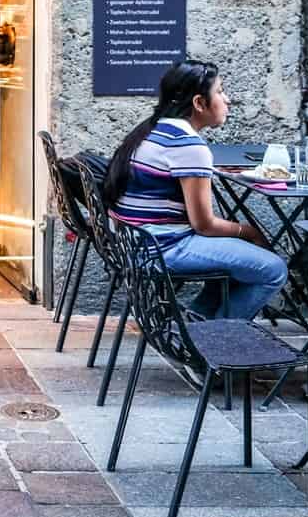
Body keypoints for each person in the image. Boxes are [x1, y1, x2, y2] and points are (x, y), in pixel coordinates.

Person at [103, 59, 287, 321]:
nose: (228, 100)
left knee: (239, 259)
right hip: (161, 247)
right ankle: (217, 342)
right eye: (221, 91)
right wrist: (249, 232)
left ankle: (198, 324)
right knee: (274, 269)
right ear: (199, 103)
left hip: (135, 241)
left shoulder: (153, 129)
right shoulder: (188, 146)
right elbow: (204, 226)